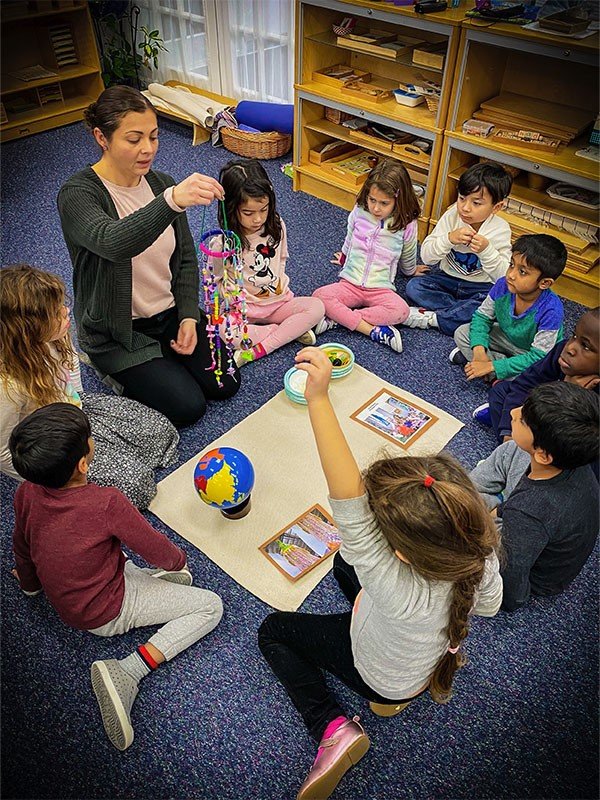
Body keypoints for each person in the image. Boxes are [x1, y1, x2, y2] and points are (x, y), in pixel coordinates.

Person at [258, 346, 502, 800]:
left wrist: (317, 399)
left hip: (380, 674)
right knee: (342, 562)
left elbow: (345, 495)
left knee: (273, 630)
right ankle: (395, 697)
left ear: (402, 556)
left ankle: (331, 727)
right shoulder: (477, 550)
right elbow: (490, 603)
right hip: (422, 655)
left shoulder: (391, 583)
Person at [9, 403, 223, 751]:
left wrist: (31, 585)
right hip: (105, 608)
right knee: (210, 606)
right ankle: (128, 670)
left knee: (116, 558)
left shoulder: (26, 491)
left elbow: (22, 542)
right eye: (89, 438)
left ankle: (150, 586)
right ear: (83, 463)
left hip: (71, 593)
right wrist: (178, 561)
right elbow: (160, 552)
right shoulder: (106, 502)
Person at [57, 85, 239, 428]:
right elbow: (113, 242)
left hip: (168, 313)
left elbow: (185, 259)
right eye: (134, 139)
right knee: (188, 407)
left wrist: (187, 316)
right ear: (102, 137)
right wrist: (170, 201)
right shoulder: (78, 194)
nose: (148, 149)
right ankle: (111, 367)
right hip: (118, 329)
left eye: (154, 137)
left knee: (225, 383)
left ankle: (164, 354)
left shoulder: (161, 183)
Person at [0, 265, 178, 509]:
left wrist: (80, 410)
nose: (66, 312)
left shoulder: (55, 335)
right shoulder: (8, 384)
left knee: (160, 431)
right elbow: (3, 452)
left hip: (75, 411)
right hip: (54, 447)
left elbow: (71, 367)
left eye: (62, 305)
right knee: (136, 486)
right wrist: (48, 476)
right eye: (55, 313)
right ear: (28, 329)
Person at [470, 382, 599, 612]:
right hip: (529, 514)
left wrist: (503, 599)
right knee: (510, 453)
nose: (513, 411)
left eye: (523, 420)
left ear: (544, 455)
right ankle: (493, 501)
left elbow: (513, 578)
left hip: (535, 570)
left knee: (459, 532)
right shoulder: (569, 457)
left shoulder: (529, 512)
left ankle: (491, 502)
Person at [208, 158, 325, 365]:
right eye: (248, 213)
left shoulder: (277, 225)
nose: (258, 219)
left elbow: (281, 260)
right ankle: (285, 332)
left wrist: (278, 288)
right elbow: (216, 281)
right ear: (231, 208)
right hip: (245, 311)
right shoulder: (222, 243)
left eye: (264, 209)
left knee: (317, 307)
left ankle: (259, 349)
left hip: (279, 304)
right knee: (219, 328)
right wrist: (227, 297)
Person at [311, 159, 421, 353]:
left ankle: (338, 319)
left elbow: (409, 253)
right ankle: (369, 329)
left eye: (384, 203)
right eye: (372, 200)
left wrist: (411, 271)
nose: (376, 208)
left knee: (401, 311)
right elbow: (350, 235)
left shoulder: (407, 223)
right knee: (319, 296)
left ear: (399, 199)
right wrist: (344, 256)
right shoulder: (360, 211)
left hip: (380, 288)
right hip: (350, 283)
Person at [404, 162, 513, 335]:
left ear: (497, 207)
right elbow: (426, 256)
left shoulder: (500, 229)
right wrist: (449, 239)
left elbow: (504, 276)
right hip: (446, 278)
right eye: (462, 198)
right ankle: (463, 317)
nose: (465, 207)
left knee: (499, 300)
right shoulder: (452, 216)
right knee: (414, 287)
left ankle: (434, 318)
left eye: (476, 203)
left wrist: (486, 250)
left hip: (480, 287)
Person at [450, 234, 567, 382]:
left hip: (532, 353)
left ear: (544, 283)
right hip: (506, 339)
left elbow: (538, 356)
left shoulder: (552, 310)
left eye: (522, 272)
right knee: (462, 333)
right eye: (511, 264)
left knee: (541, 375)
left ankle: (489, 370)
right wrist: (479, 351)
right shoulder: (502, 285)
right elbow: (482, 318)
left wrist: (493, 366)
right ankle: (491, 371)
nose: (511, 275)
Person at [473, 307, 600, 440]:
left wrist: (571, 394)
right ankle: (511, 447)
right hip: (547, 406)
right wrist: (508, 432)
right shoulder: (561, 350)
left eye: (585, 346)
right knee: (501, 391)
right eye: (574, 336)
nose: (570, 348)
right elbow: (525, 383)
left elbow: (578, 437)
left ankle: (518, 448)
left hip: (568, 434)